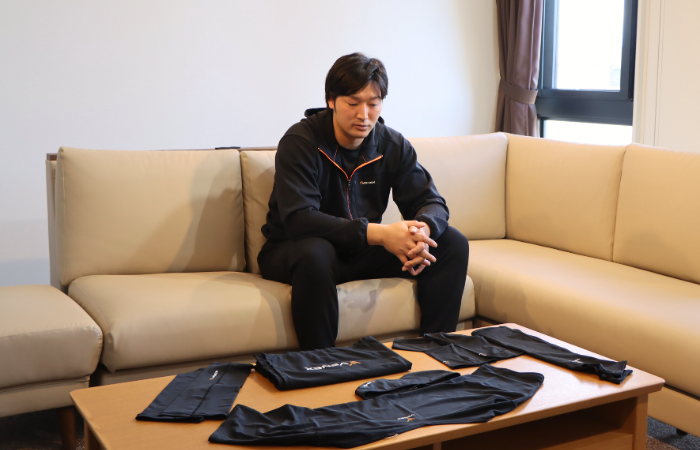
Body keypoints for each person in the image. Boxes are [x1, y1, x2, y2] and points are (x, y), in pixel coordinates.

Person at [259, 53, 469, 350]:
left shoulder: (391, 145)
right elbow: (299, 218)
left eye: (373, 103)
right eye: (353, 103)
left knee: (451, 243)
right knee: (316, 253)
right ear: (331, 100)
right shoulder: (301, 141)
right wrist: (380, 234)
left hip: (360, 250)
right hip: (296, 250)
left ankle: (436, 353)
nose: (364, 114)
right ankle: (321, 364)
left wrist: (423, 229)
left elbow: (430, 200)